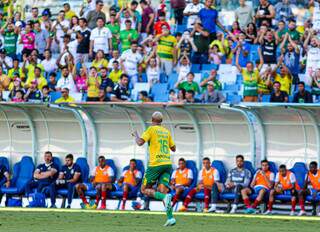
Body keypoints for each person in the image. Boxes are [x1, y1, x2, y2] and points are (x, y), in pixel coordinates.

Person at [132, 111, 176, 226]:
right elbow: (174, 148)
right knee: (162, 190)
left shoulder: (151, 129)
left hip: (155, 164)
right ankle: (170, 217)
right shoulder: (166, 131)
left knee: (144, 189)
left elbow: (140, 142)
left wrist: (136, 135)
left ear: (152, 120)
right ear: (161, 121)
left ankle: (164, 197)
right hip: (167, 164)